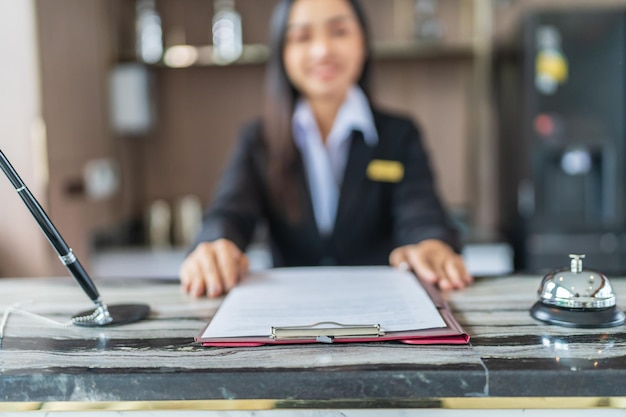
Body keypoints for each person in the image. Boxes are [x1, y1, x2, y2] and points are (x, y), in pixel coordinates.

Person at [180, 0, 473, 298]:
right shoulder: (258, 139)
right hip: (288, 317)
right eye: (302, 37)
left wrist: (432, 244)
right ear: (283, 53)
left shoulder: (399, 135)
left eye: (339, 31)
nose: (322, 50)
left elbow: (422, 215)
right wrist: (216, 244)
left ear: (363, 42)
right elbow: (229, 214)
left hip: (383, 311)